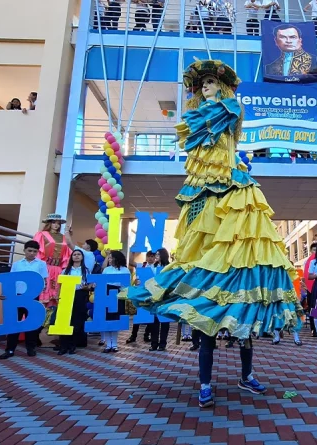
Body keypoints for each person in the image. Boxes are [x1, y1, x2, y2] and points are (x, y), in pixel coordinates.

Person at [127, 60, 302, 408]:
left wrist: (210, 106)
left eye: (209, 82)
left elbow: (215, 120)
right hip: (203, 195)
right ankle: (205, 382)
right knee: (206, 322)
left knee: (244, 311)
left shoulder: (229, 108)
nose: (203, 87)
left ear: (220, 86)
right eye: (200, 84)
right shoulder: (203, 117)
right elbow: (192, 134)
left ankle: (247, 375)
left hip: (230, 189)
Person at [0, 240, 49, 359]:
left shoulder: (41, 264)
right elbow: (11, 280)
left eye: (34, 251)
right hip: (17, 296)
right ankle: (10, 349)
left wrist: (41, 293)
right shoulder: (17, 264)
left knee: (31, 324)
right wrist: (6, 293)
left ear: (38, 252)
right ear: (24, 251)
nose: (32, 253)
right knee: (14, 323)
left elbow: (44, 281)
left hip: (32, 297)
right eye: (29, 250)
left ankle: (30, 348)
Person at [33, 214, 72, 311]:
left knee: (57, 292)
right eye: (54, 223)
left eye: (58, 223)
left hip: (58, 268)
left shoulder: (63, 237)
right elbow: (37, 251)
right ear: (49, 223)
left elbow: (67, 253)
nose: (56, 225)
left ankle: (52, 317)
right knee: (44, 289)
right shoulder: (41, 234)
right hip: (46, 267)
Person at [58, 249, 92, 355]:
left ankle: (73, 345)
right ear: (71, 257)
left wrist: (87, 287)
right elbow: (60, 285)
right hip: (67, 295)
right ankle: (63, 345)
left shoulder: (86, 271)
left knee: (77, 321)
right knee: (64, 320)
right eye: (74, 254)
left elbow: (90, 285)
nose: (76, 256)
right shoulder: (65, 270)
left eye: (79, 254)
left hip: (80, 295)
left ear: (82, 257)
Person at [100, 250, 130, 353]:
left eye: (112, 257)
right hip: (107, 294)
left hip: (118, 294)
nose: (110, 259)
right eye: (109, 257)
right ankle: (108, 344)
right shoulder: (107, 270)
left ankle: (115, 344)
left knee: (116, 319)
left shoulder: (125, 270)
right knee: (107, 319)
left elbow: (126, 285)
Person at [148, 248, 172, 352]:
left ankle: (162, 344)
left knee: (165, 321)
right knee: (154, 321)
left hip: (165, 297)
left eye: (158, 254)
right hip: (154, 296)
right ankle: (154, 343)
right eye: (155, 254)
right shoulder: (153, 267)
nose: (156, 256)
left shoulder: (169, 267)